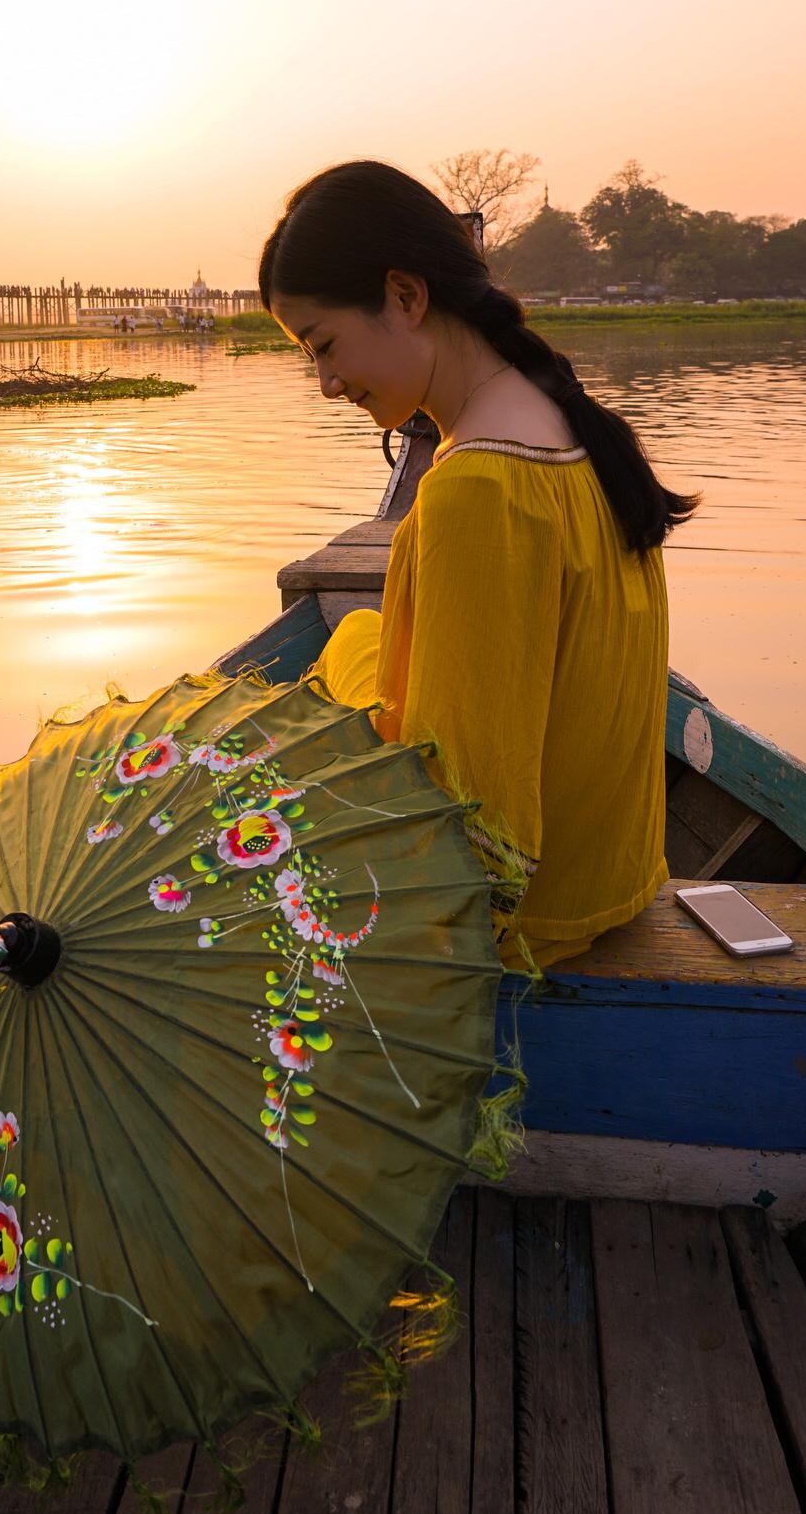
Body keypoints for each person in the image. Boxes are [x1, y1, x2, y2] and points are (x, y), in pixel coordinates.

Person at [261, 159, 698, 974]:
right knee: (355, 638)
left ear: (404, 296)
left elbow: (475, 831)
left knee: (303, 709)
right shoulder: (566, 422)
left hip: (536, 922)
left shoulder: (477, 491)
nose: (324, 384)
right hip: (617, 876)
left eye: (323, 347)